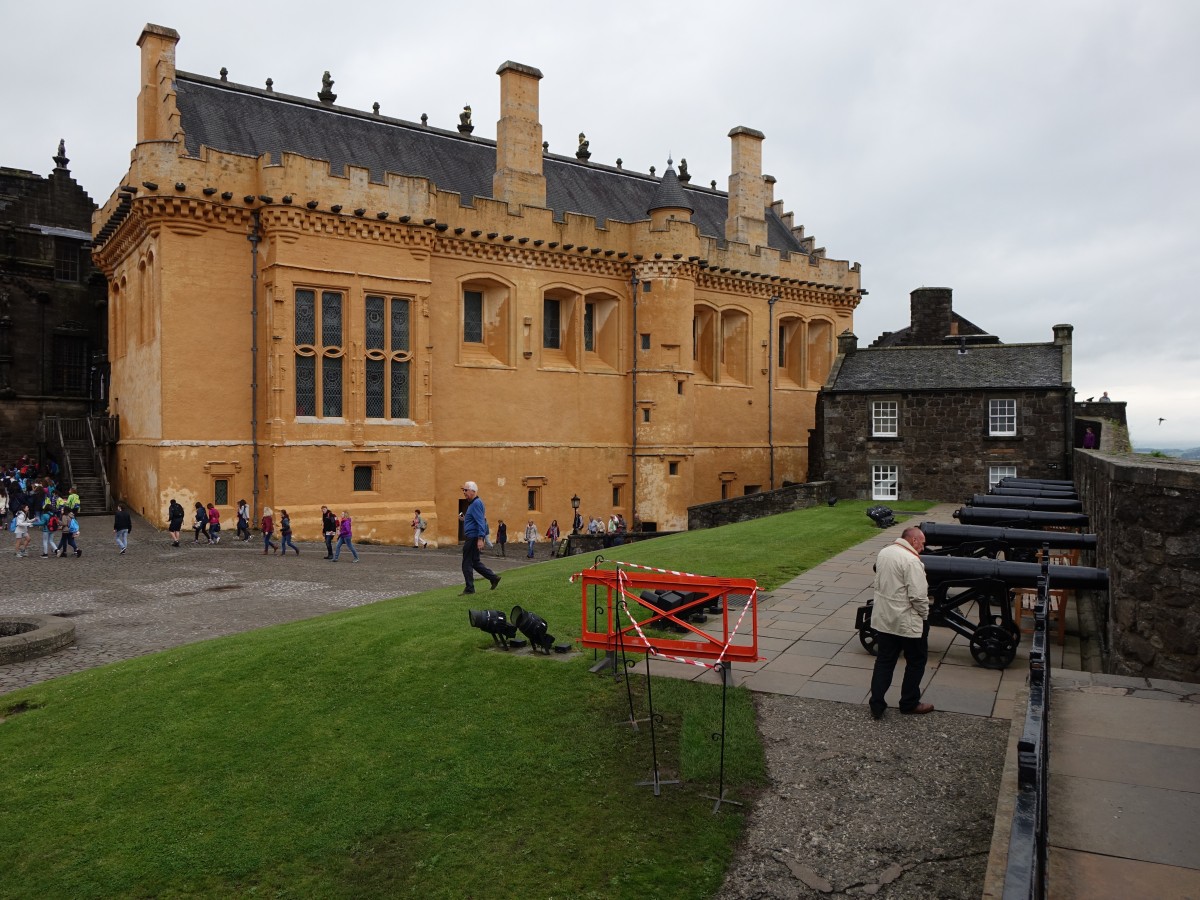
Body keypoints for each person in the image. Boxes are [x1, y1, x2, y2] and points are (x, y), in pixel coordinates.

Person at [868, 525, 934, 719]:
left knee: (884, 661)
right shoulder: (912, 561)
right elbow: (918, 596)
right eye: (922, 543)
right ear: (913, 541)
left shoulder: (885, 552)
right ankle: (909, 702)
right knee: (916, 661)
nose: (923, 547)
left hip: (885, 618)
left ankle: (877, 704)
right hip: (907, 621)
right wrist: (924, 615)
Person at [459, 481, 499, 594]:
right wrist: (465, 519)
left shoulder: (476, 503)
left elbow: (481, 521)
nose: (464, 492)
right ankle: (493, 578)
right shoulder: (473, 504)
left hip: (472, 538)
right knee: (475, 562)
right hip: (473, 537)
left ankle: (469, 588)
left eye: (466, 490)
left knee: (466, 563)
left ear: (473, 491)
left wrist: (480, 539)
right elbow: (475, 520)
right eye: (463, 490)